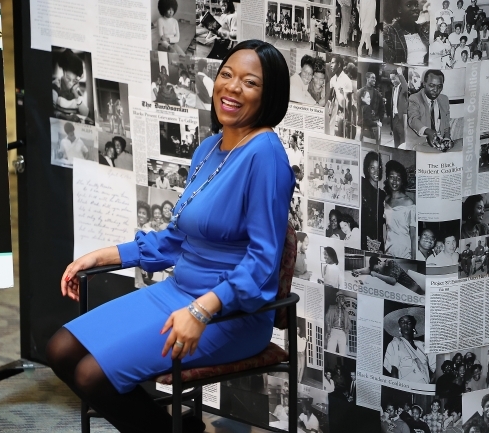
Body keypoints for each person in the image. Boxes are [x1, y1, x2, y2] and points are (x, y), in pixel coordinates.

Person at [46, 40, 294, 433]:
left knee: (93, 375)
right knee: (60, 350)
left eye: (250, 83)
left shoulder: (266, 155)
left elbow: (263, 263)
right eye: (226, 75)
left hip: (232, 313)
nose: (231, 88)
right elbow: (175, 240)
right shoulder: (210, 148)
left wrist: (202, 310)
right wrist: (102, 256)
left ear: (270, 97)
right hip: (177, 293)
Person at [383, 308, 435, 384]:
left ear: (413, 326)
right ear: (399, 326)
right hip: (407, 389)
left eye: (409, 322)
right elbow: (394, 370)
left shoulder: (423, 345)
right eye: (402, 321)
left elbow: (437, 367)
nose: (405, 324)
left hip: (424, 388)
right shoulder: (395, 343)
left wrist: (430, 385)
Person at [408, 69, 452, 152]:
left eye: (439, 86)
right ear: (424, 84)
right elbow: (413, 119)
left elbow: (446, 124)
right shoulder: (415, 98)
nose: (436, 90)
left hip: (438, 144)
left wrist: (446, 138)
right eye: (432, 85)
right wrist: (429, 132)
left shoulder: (444, 99)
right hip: (420, 143)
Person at [383, 160, 416, 260]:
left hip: (405, 251)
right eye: (392, 177)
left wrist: (414, 258)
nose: (394, 181)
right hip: (388, 249)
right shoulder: (385, 200)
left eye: (398, 178)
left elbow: (413, 234)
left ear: (402, 182)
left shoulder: (409, 203)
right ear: (387, 178)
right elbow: (386, 227)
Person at [383, 0, 429, 65]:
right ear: (399, 9)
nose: (415, 8)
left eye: (416, 5)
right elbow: (389, 60)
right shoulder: (389, 31)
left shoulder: (423, 30)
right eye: (409, 5)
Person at [352, 254, 424, 295]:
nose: (378, 272)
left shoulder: (391, 263)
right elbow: (369, 269)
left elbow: (392, 281)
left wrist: (376, 274)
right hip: (404, 292)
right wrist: (358, 271)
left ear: (379, 263)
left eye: (377, 270)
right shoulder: (380, 267)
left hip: (416, 292)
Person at [52, 49, 90, 121]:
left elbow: (86, 114)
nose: (70, 83)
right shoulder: (56, 85)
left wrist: (75, 94)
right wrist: (66, 117)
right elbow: (49, 110)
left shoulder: (76, 90)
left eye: (74, 80)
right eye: (68, 79)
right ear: (64, 72)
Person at [361, 152, 386, 251]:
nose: (376, 172)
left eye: (378, 167)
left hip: (378, 240)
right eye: (372, 168)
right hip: (364, 239)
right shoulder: (363, 186)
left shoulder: (383, 194)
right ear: (367, 169)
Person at [327, 55, 353, 138]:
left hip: (345, 113)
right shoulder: (332, 79)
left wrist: (348, 118)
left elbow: (349, 101)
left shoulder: (346, 80)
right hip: (337, 112)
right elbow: (330, 96)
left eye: (333, 63)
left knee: (342, 135)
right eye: (330, 63)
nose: (331, 65)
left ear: (339, 65)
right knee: (334, 133)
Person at [390, 68, 409, 149]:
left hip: (401, 118)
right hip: (395, 118)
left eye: (394, 79)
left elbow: (406, 87)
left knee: (402, 140)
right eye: (391, 79)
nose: (392, 81)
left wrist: (401, 74)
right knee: (396, 140)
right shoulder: (393, 89)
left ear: (398, 77)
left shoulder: (402, 88)